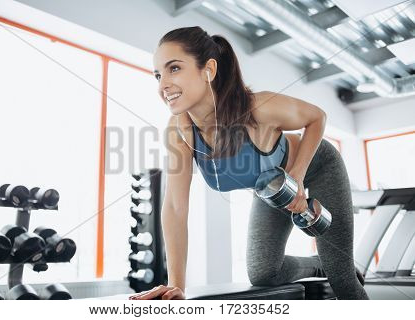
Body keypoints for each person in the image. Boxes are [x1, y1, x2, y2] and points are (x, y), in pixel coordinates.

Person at [129, 26, 368, 300]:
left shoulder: (258, 107)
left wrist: (297, 175)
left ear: (208, 69)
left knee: (343, 280)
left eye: (174, 69)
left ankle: (337, 266)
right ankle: (318, 264)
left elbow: (317, 117)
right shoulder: (179, 131)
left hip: (317, 165)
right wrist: (176, 286)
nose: (162, 85)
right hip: (270, 187)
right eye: (158, 75)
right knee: (264, 273)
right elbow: (174, 206)